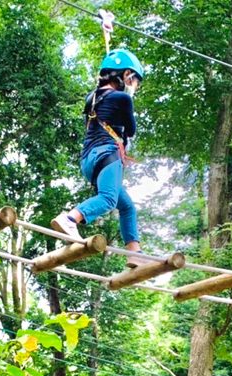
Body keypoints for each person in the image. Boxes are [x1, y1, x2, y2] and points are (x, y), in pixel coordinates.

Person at [51, 49, 146, 265]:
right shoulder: (123, 98)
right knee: (109, 199)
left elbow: (106, 109)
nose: (135, 87)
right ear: (126, 76)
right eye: (135, 82)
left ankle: (134, 253)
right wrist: (128, 94)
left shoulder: (92, 97)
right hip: (107, 154)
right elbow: (130, 131)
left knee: (127, 206)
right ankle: (69, 219)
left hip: (89, 160)